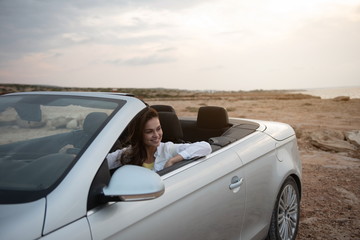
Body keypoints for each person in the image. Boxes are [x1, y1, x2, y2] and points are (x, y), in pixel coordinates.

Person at [107, 107, 212, 171]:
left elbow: (205, 147)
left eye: (158, 129)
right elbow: (100, 164)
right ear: (139, 134)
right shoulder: (128, 154)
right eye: (149, 131)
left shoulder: (168, 149)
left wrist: (172, 160)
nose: (156, 135)